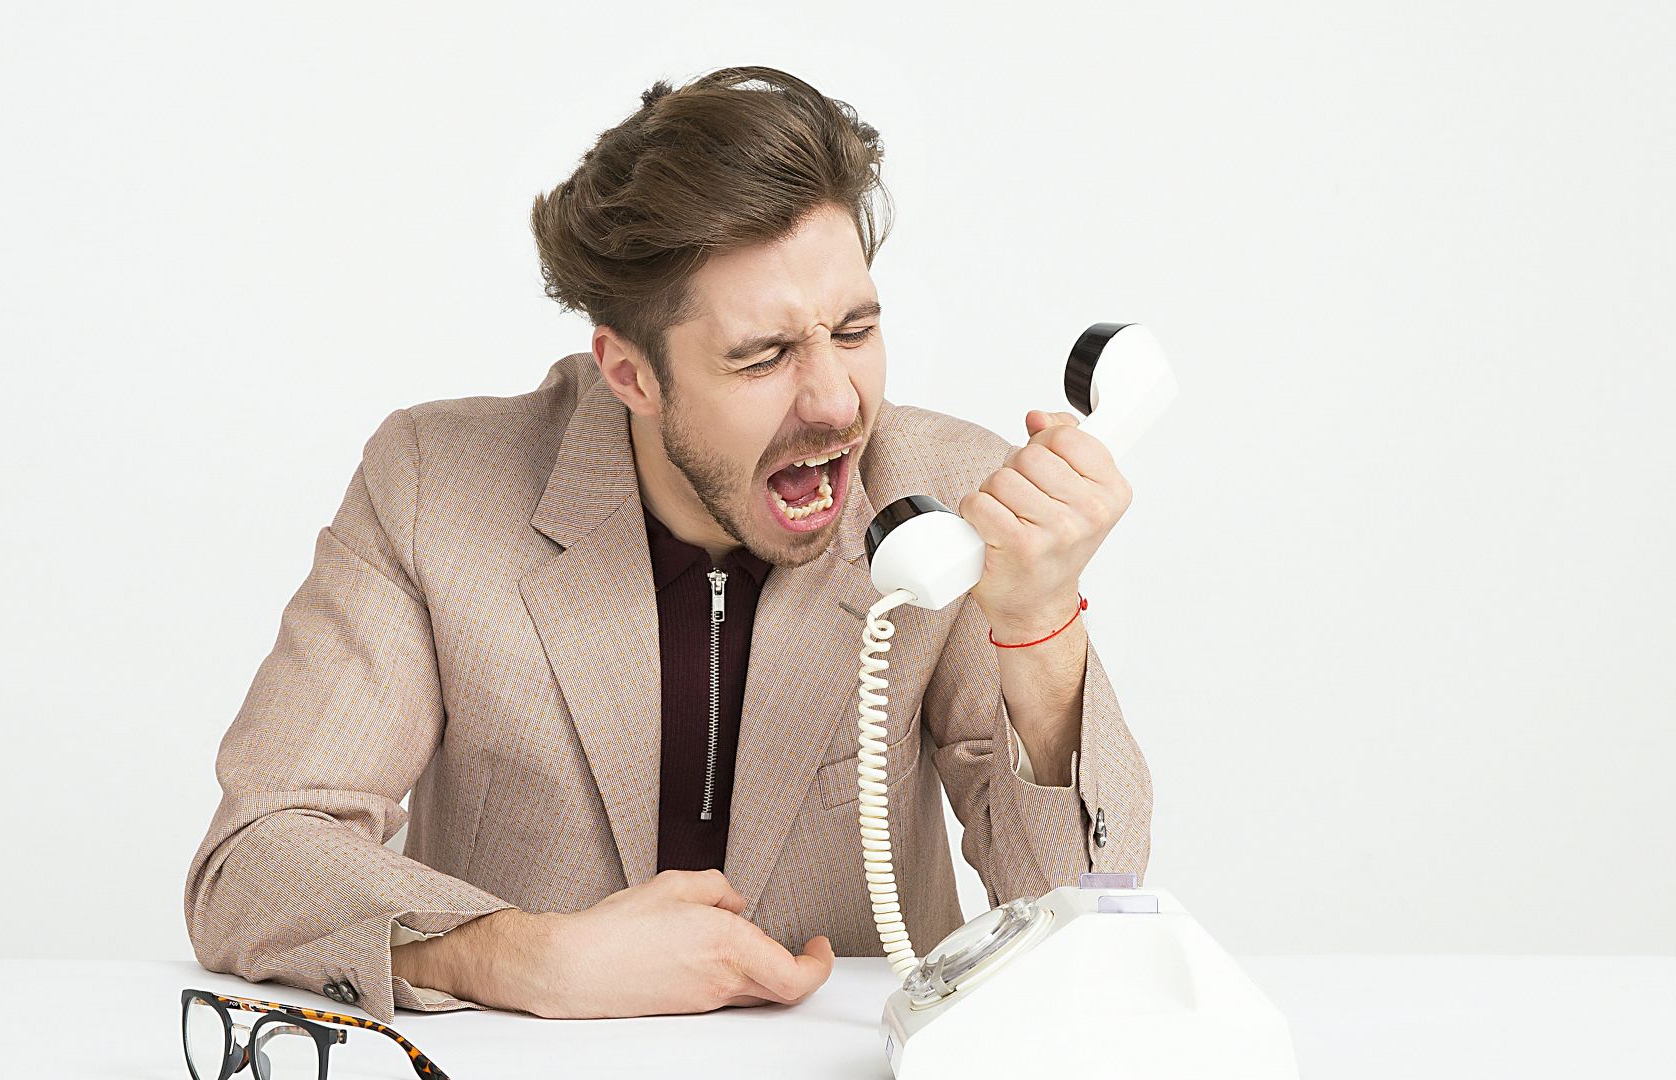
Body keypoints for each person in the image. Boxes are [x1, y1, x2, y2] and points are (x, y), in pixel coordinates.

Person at [183, 65, 1152, 1024]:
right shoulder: (433, 484)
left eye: (855, 331)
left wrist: (1039, 627)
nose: (836, 402)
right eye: (764, 355)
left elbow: (1092, 917)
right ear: (631, 373)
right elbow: (254, 857)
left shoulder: (944, 497)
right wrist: (521, 956)